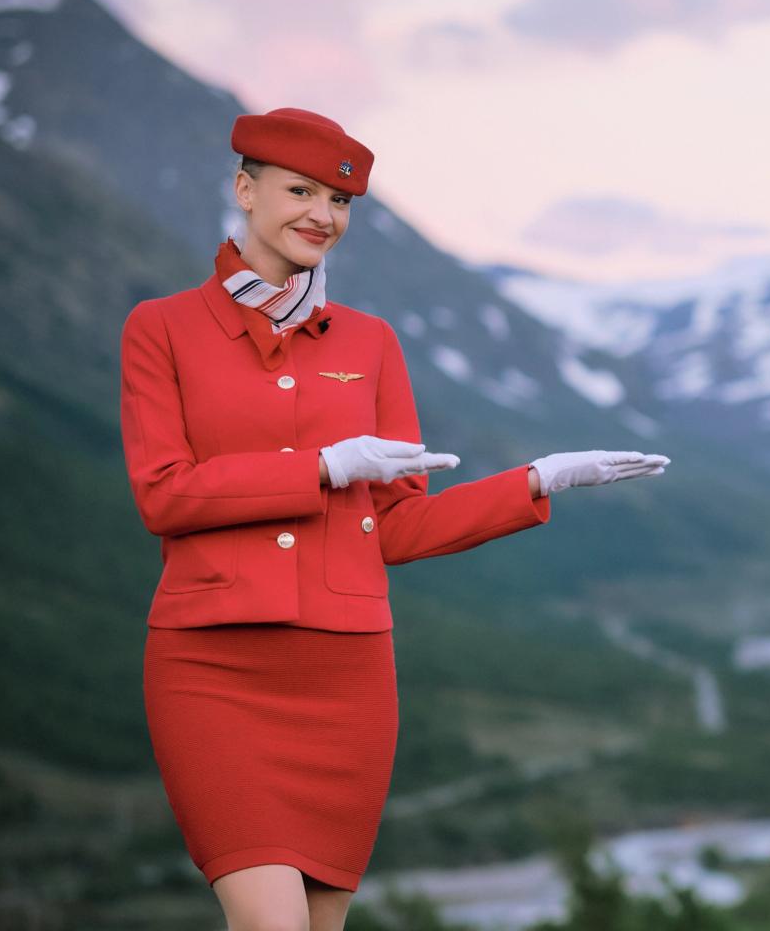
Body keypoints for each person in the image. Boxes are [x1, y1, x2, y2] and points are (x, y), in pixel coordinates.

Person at [118, 106, 670, 930]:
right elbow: (164, 494)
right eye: (300, 191)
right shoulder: (161, 328)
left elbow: (399, 529)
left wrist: (536, 481)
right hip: (213, 665)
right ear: (244, 188)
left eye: (340, 203)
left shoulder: (370, 343)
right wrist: (322, 468)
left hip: (347, 675)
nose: (322, 216)